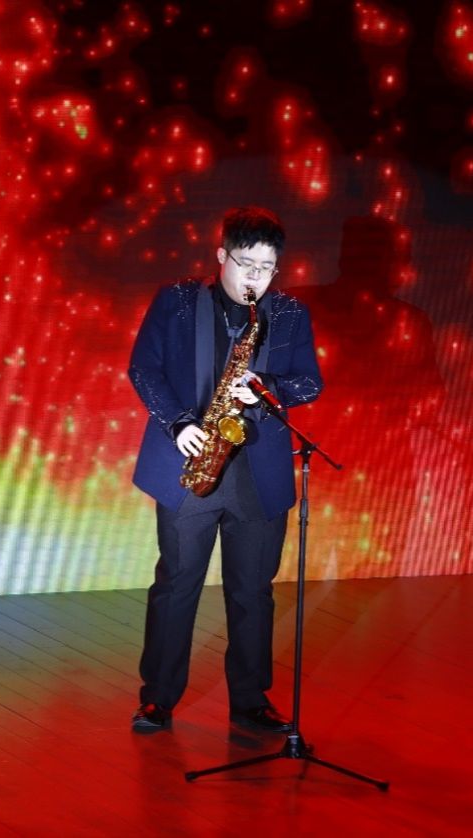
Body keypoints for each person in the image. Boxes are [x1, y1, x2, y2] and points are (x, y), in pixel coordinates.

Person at [127, 206, 322, 733]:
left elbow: (309, 382)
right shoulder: (176, 301)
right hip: (190, 461)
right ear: (221, 256)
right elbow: (143, 368)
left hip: (258, 474)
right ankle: (158, 698)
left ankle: (251, 701)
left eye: (267, 268)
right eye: (246, 264)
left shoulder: (288, 313)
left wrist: (267, 390)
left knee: (253, 591)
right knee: (176, 585)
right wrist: (178, 423)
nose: (256, 277)